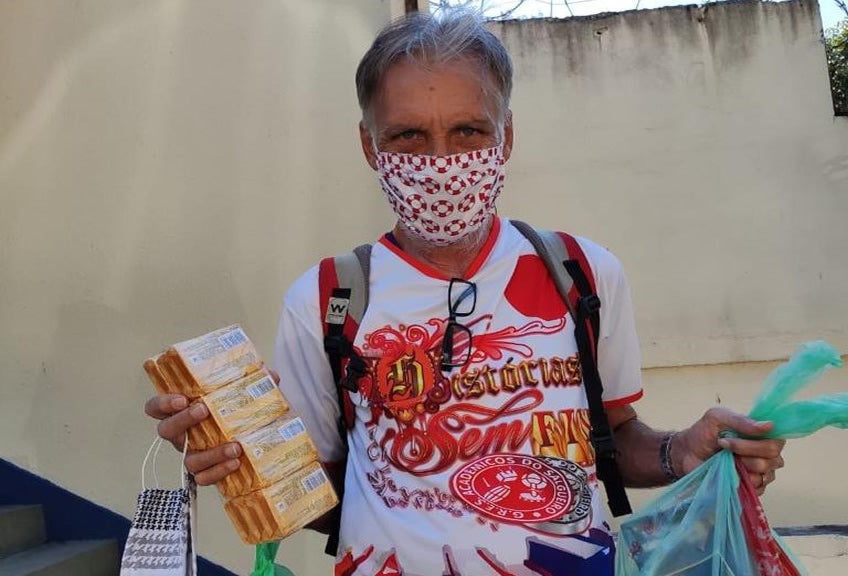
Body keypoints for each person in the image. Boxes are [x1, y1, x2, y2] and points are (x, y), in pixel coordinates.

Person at [145, 9, 786, 575]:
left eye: (468, 132)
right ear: (370, 146)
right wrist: (243, 460)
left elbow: (613, 437)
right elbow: (320, 495)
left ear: (506, 137)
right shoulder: (327, 298)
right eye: (408, 137)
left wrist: (683, 450)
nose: (440, 160)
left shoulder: (583, 274)